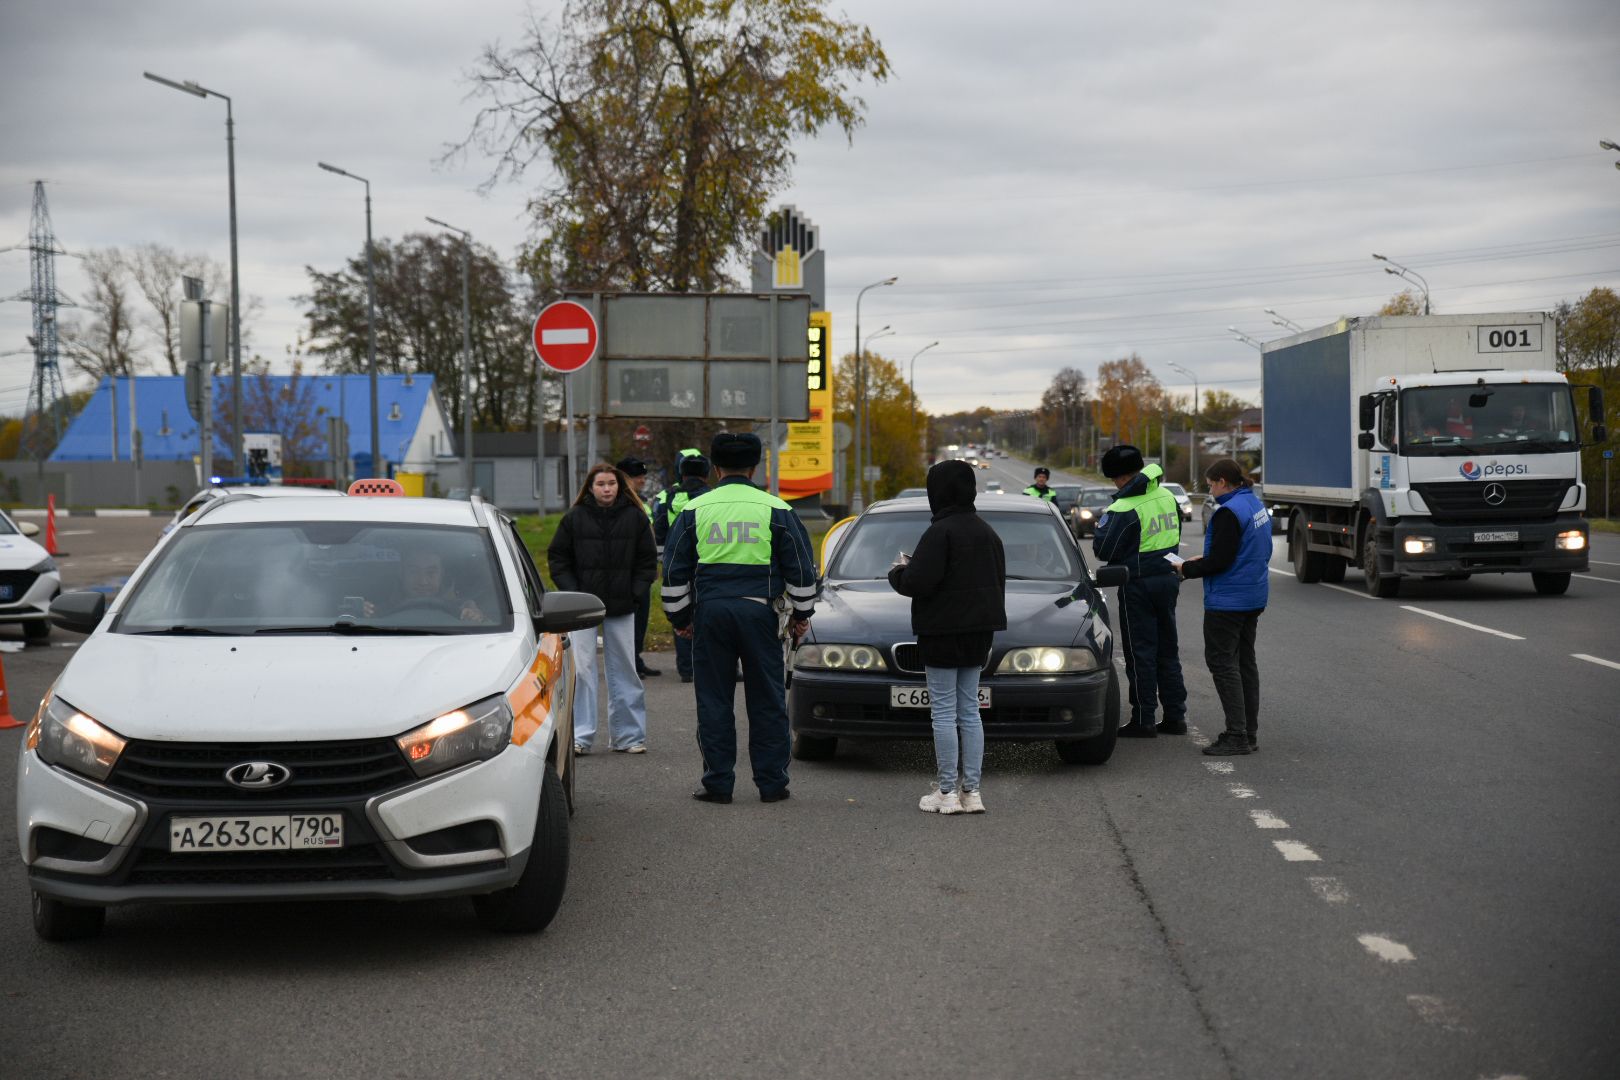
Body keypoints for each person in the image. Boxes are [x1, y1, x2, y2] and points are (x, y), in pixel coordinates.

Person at [662, 432, 818, 804]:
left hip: (711, 613)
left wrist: (681, 618)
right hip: (760, 613)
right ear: (755, 467)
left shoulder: (693, 510)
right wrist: (801, 614)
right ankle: (772, 784)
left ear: (716, 468)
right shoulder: (776, 509)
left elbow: (672, 572)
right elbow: (800, 568)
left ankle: (718, 783)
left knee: (714, 700)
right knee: (767, 699)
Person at [887, 459, 1007, 814]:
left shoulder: (939, 533)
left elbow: (917, 583)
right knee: (970, 712)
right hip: (979, 632)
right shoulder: (989, 533)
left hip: (940, 632)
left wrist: (898, 572)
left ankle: (946, 793)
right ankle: (972, 792)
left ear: (935, 492)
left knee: (942, 713)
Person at [548, 463, 658, 754]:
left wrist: (634, 592)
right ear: (590, 487)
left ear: (620, 486)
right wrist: (575, 592)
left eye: (612, 483)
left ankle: (629, 736)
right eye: (601, 484)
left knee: (624, 668)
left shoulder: (635, 518)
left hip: (623, 605)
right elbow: (558, 558)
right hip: (583, 608)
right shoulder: (574, 518)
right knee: (582, 670)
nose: (607, 488)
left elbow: (647, 561)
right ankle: (581, 737)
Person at [1177, 458, 1271, 756]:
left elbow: (1221, 560)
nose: (1209, 489)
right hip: (1252, 594)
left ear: (1222, 482)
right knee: (1245, 664)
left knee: (1222, 664)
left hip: (1228, 600)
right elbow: (1251, 550)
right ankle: (1249, 732)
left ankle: (1236, 735)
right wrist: (1199, 561)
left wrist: (1185, 569)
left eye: (1210, 484)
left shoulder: (1228, 513)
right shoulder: (1253, 504)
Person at [1093, 444, 1188, 738]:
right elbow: (1175, 535)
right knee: (1167, 650)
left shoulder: (1124, 507)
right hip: (1169, 579)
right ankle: (1175, 716)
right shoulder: (1167, 496)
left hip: (1139, 585)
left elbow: (1102, 548)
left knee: (1140, 653)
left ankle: (1144, 719)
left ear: (1119, 478)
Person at [652, 449, 712, 683]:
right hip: (707, 562)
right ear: (707, 474)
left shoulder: (668, 496)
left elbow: (659, 529)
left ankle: (686, 668)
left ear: (681, 473)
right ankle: (713, 664)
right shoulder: (714, 496)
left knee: (681, 610)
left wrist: (663, 561)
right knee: (709, 612)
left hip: (677, 562)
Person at [361, 544, 488, 623]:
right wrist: (361, 615)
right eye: (414, 571)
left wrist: (478, 618)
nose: (423, 581)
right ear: (401, 574)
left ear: (442, 575)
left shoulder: (462, 611)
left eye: (431, 573)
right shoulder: (377, 612)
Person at [616, 456, 660, 678]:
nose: (642, 480)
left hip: (642, 569)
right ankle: (629, 661)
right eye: (638, 476)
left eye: (643, 475)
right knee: (628, 619)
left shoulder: (639, 500)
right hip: (627, 571)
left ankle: (636, 657)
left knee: (641, 618)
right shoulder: (620, 502)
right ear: (624, 477)